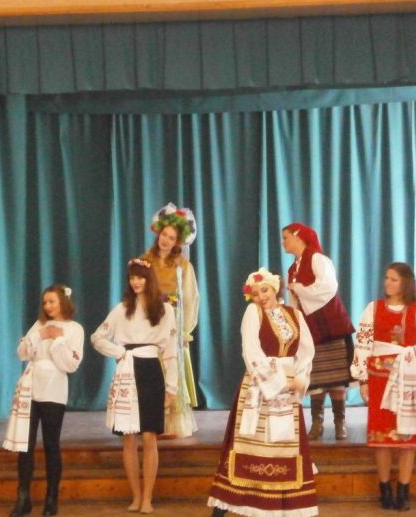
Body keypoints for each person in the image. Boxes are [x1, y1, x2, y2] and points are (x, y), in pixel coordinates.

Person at [208, 267, 318, 517]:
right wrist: (276, 382)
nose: (261, 297)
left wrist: (300, 376)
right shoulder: (253, 313)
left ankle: (281, 505)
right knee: (253, 445)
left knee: (282, 445)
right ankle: (229, 503)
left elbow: (306, 350)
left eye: (265, 290)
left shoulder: (294, 314)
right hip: (261, 386)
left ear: (275, 288)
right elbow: (251, 351)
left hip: (287, 388)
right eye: (256, 294)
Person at [350, 262, 416, 511]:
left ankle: (404, 491)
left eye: (393, 279)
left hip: (408, 378)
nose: (387, 283)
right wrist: (363, 379)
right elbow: (363, 344)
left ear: (405, 283)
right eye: (386, 278)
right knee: (382, 438)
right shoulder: (373, 309)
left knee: (407, 437)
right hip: (379, 378)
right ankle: (385, 489)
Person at [91, 258, 177, 514]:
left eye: (140, 277)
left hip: (151, 371)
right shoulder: (121, 309)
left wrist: (172, 387)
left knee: (149, 435)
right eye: (132, 277)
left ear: (149, 279)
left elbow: (171, 351)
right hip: (127, 371)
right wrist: (118, 352)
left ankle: (148, 497)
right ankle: (136, 495)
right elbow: (97, 337)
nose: (136, 282)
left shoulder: (164, 309)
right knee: (128, 437)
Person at [4, 284, 85, 517]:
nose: (48, 306)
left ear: (62, 302)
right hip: (31, 387)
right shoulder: (39, 325)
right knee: (25, 444)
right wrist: (40, 335)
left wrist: (58, 340)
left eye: (52, 302)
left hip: (54, 388)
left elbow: (71, 364)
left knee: (51, 443)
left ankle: (52, 498)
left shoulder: (74, 329)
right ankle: (23, 498)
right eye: (45, 302)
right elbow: (22, 352)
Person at [282, 223, 355, 441]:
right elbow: (295, 303)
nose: (283, 242)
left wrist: (300, 289)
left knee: (337, 378)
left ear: (299, 237)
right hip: (310, 330)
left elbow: (328, 287)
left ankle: (340, 421)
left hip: (332, 326)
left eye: (286, 237)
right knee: (315, 377)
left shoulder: (318, 259)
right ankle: (317, 422)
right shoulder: (292, 269)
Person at [141, 202, 199, 438]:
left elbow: (190, 297)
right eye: (164, 235)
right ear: (159, 234)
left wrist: (185, 330)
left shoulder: (182, 265)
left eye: (172, 238)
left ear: (178, 242)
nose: (166, 240)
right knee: (151, 367)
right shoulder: (145, 260)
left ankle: (171, 422)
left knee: (170, 366)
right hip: (149, 319)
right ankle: (150, 420)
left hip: (172, 321)